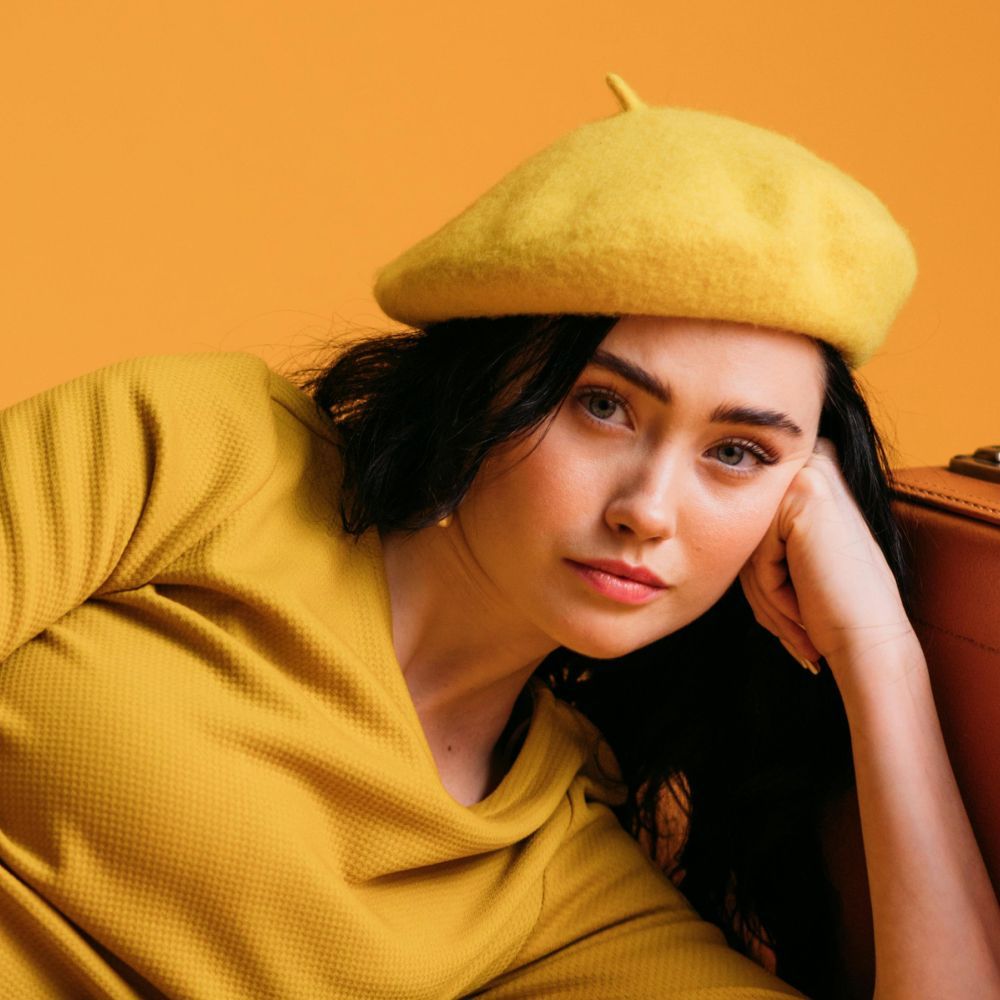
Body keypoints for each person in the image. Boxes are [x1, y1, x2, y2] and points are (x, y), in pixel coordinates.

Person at [0, 73, 997, 1000]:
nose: (648, 509)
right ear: (483, 378)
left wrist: (881, 659)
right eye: (601, 404)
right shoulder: (206, 448)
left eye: (735, 453)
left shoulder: (555, 871)